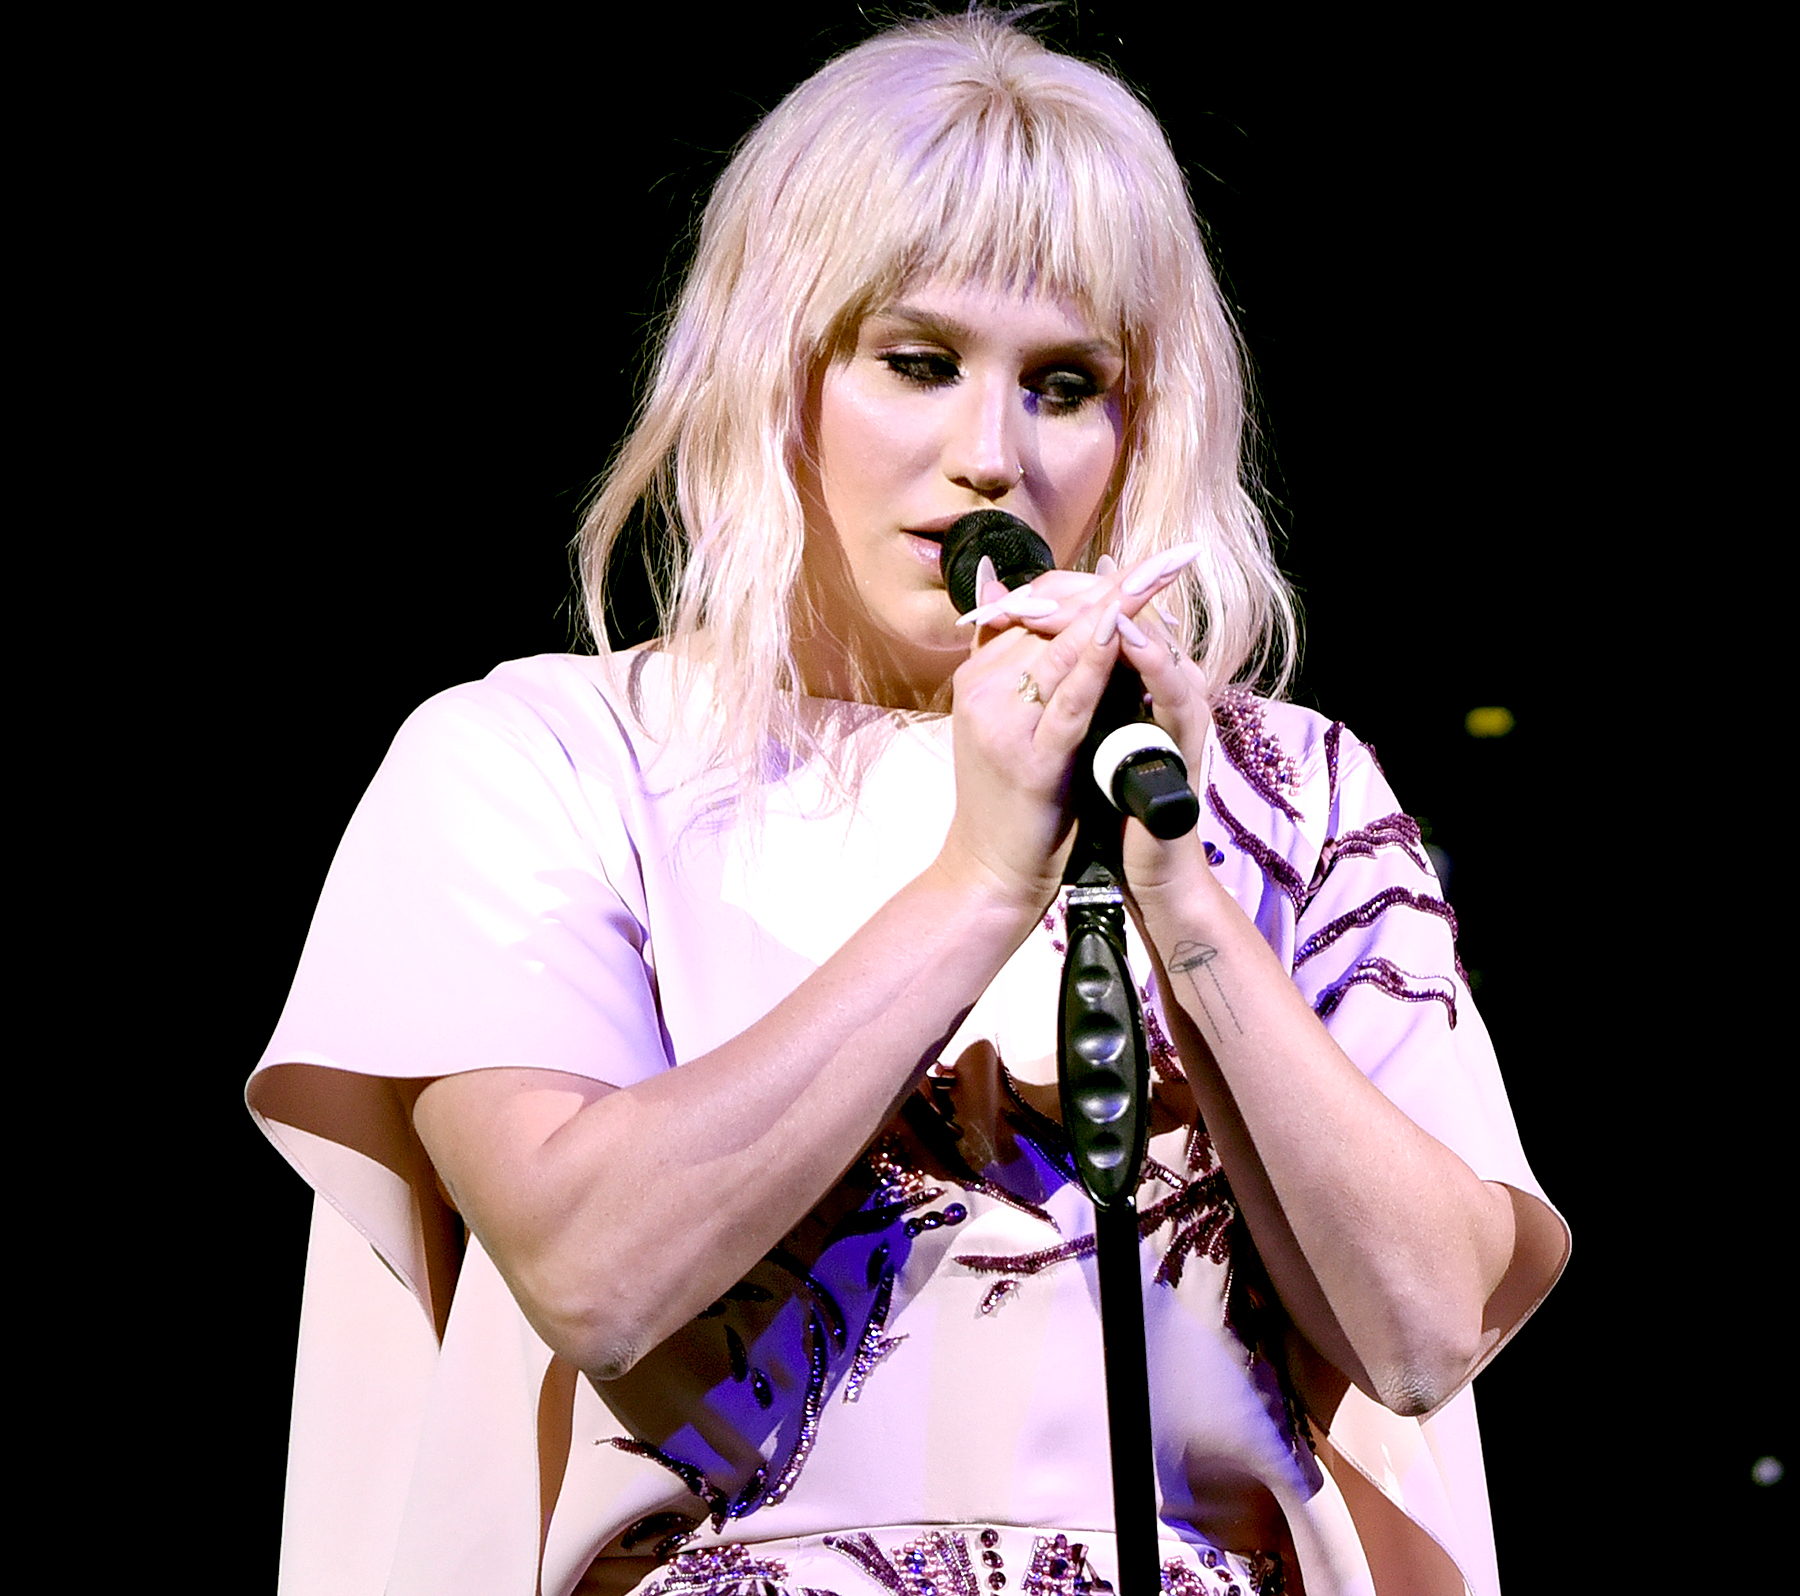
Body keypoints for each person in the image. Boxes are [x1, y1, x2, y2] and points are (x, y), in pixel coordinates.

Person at [249, 14, 1567, 1596]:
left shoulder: (1276, 791)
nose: (991, 457)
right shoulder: (545, 756)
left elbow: (1426, 1336)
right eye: (920, 363)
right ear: (771, 373)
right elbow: (593, 1270)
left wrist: (1185, 896)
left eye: (1067, 385)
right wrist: (979, 879)